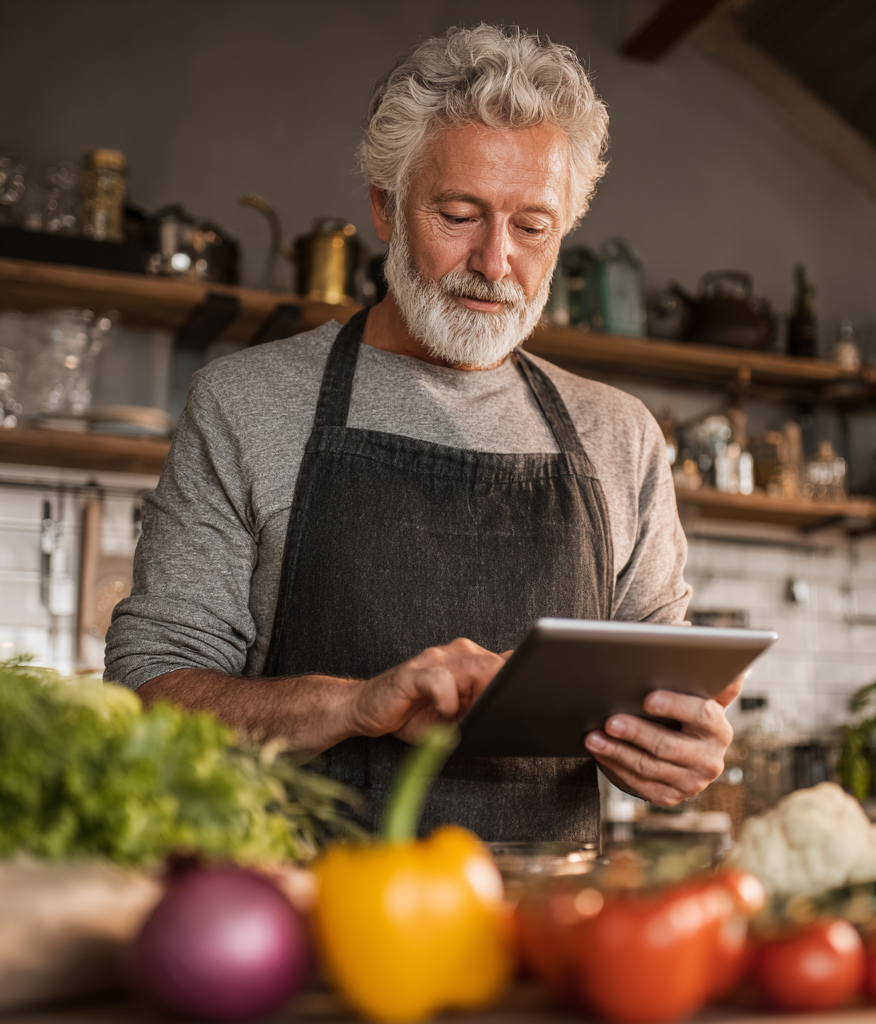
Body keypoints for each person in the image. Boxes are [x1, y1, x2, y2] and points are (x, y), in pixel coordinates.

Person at [105, 24, 740, 844]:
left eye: (533, 226)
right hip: (303, 914)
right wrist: (352, 704)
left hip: (545, 928)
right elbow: (153, 689)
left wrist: (678, 755)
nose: (494, 260)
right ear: (385, 207)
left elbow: (665, 707)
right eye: (459, 213)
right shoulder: (245, 402)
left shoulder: (620, 436)